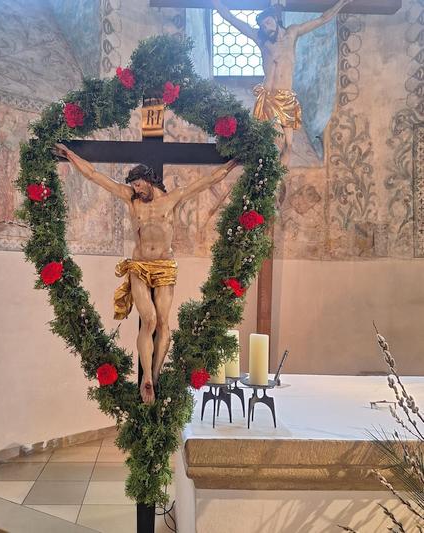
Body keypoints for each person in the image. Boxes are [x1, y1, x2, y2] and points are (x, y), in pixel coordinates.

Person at [52, 143, 239, 404]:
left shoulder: (172, 198)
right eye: (134, 186)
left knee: (163, 323)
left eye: (140, 185)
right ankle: (146, 378)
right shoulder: (130, 198)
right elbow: (95, 176)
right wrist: (70, 155)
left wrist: (233, 162)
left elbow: (207, 181)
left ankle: (156, 375)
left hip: (164, 266)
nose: (137, 190)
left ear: (149, 180)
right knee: (148, 320)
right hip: (139, 265)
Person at [211, 0, 352, 166]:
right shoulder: (261, 39)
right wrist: (215, 3)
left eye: (268, 22)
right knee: (263, 139)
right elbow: (231, 18)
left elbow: (322, 19)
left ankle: (278, 175)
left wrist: (342, 3)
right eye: (263, 26)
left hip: (285, 98)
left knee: (289, 144)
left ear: (276, 19)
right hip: (267, 97)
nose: (266, 27)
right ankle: (261, 168)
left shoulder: (292, 33)